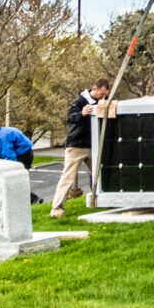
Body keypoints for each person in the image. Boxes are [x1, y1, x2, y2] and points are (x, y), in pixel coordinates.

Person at [54, 78, 109, 217]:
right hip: (76, 145)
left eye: (105, 95)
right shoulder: (80, 101)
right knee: (68, 177)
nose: (103, 97)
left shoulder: (102, 101)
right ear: (94, 89)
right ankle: (56, 209)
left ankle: (105, 202)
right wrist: (81, 114)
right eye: (101, 94)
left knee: (102, 174)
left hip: (94, 145)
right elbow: (69, 117)